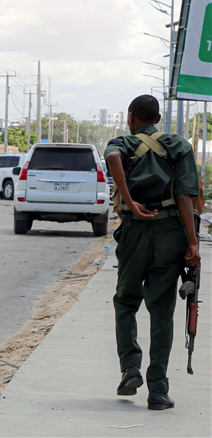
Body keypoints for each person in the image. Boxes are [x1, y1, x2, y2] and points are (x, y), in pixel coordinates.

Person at [104, 94, 200, 411]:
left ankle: (130, 367)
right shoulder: (179, 145)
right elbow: (186, 196)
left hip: (134, 230)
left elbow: (113, 159)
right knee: (161, 311)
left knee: (126, 301)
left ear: (131, 117)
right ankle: (158, 390)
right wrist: (193, 242)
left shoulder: (123, 143)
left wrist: (131, 202)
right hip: (171, 231)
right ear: (157, 119)